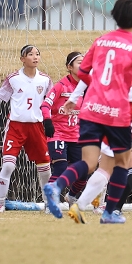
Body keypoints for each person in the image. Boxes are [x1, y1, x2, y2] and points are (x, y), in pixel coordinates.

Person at [43, 0, 132, 224]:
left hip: (91, 108)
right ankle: (109, 213)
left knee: (90, 162)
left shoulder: (100, 41)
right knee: (123, 163)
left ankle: (57, 186)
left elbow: (83, 72)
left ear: (114, 16)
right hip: (117, 112)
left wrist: (95, 87)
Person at [64, 12, 132, 224]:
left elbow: (87, 74)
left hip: (102, 109)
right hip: (128, 111)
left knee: (112, 164)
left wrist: (74, 97)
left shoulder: (106, 46)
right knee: (127, 162)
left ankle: (84, 206)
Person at [0, 45, 53, 212]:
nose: (35, 57)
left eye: (37, 54)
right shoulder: (13, 78)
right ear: (22, 59)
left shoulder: (45, 79)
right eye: (30, 54)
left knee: (45, 168)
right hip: (16, 126)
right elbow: (1, 97)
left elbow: (51, 102)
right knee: (8, 166)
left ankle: (49, 203)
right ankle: (0, 202)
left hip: (37, 127)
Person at [41, 52, 85, 205]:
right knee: (60, 168)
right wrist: (47, 121)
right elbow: (45, 105)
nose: (83, 65)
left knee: (83, 172)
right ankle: (50, 202)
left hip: (77, 135)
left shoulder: (86, 86)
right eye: (79, 62)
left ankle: (71, 196)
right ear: (69, 67)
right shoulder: (60, 86)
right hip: (58, 133)